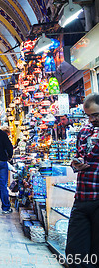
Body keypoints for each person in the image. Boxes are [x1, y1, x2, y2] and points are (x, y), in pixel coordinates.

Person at [65, 93, 99, 267]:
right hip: (82, 197)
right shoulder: (84, 131)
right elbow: (79, 156)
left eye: (95, 115)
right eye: (89, 115)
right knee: (74, 251)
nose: (92, 119)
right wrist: (76, 163)